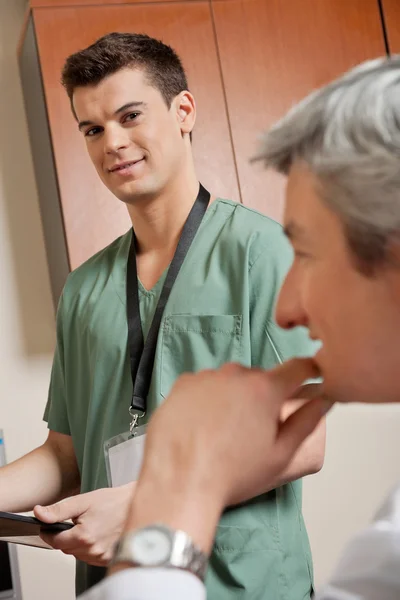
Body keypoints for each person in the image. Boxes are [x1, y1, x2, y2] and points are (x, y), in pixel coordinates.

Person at [0, 32, 324, 599]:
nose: (113, 143)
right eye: (93, 129)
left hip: (241, 585)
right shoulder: (83, 289)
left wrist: (140, 500)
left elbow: (303, 439)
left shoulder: (260, 252)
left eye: (130, 116)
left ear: (183, 111)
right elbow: (65, 455)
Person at [79, 54, 400, 600]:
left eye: (308, 251)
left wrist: (174, 496)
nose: (287, 310)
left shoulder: (250, 246)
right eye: (92, 128)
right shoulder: (86, 284)